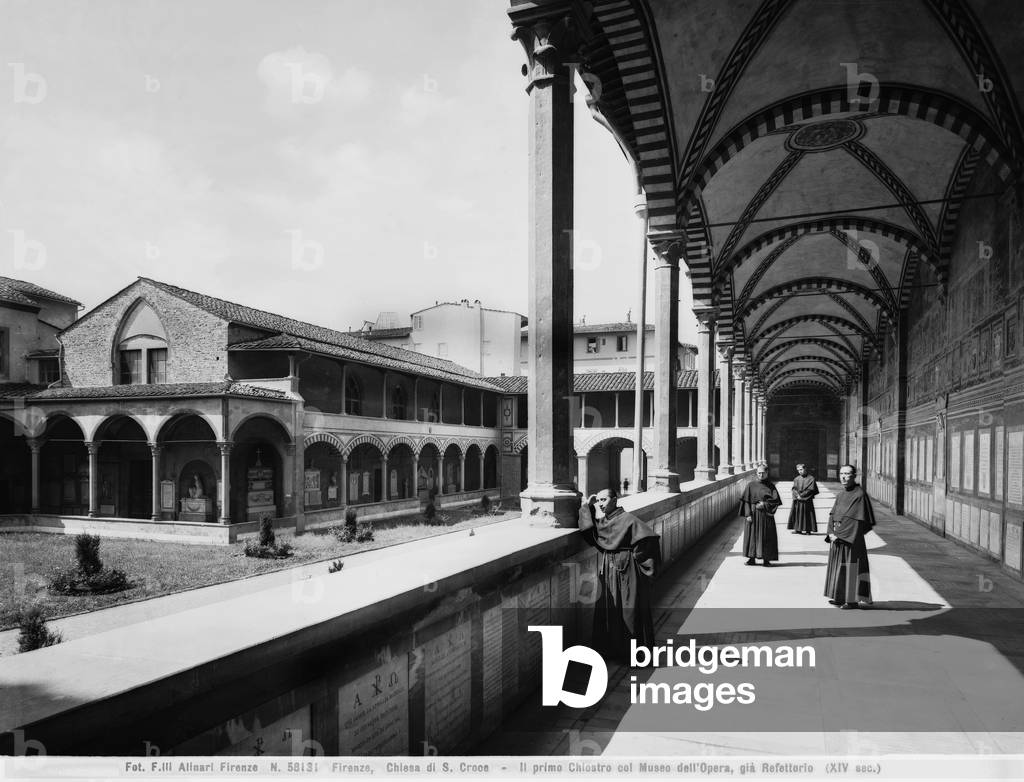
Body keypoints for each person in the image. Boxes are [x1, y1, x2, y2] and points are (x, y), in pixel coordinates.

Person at [580, 488, 660, 661]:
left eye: (604, 500)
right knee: (611, 608)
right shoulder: (605, 521)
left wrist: (635, 558)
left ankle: (632, 654)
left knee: (628, 611)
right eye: (598, 501)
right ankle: (615, 651)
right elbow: (590, 533)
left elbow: (649, 539)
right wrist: (588, 507)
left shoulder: (629, 519)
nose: (601, 504)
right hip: (609, 569)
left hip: (627, 570)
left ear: (615, 500)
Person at [824, 464, 876, 609]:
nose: (843, 477)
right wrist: (830, 532)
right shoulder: (841, 494)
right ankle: (840, 597)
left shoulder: (859, 495)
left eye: (847, 474)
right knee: (839, 568)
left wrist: (839, 535)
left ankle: (852, 601)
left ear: (854, 476)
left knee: (851, 567)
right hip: (838, 537)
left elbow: (857, 520)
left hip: (851, 539)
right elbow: (832, 514)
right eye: (841, 474)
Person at [738, 462, 782, 566]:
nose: (761, 475)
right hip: (753, 514)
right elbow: (746, 501)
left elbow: (775, 501)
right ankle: (751, 558)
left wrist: (765, 504)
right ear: (756, 473)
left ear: (767, 473)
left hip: (766, 515)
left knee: (766, 536)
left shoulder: (771, 486)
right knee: (752, 536)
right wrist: (748, 514)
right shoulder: (751, 485)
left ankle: (766, 559)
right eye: (759, 473)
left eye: (763, 473)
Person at [787, 463, 818, 535]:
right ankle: (798, 529)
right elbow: (794, 489)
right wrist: (797, 495)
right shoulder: (796, 479)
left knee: (807, 514)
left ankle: (808, 530)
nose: (799, 471)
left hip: (807, 500)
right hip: (798, 500)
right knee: (797, 514)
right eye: (798, 470)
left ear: (805, 469)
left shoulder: (811, 479)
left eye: (801, 469)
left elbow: (811, 489)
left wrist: (802, 495)